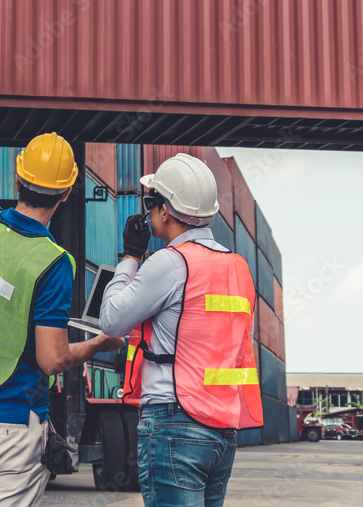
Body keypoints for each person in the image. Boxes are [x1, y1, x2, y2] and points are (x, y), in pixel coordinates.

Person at [0, 128, 124, 507]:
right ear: (67, 193)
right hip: (11, 428)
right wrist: (102, 341)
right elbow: (52, 359)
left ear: (17, 179)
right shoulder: (52, 262)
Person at [100, 153, 262, 507]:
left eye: (150, 202)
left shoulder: (170, 263)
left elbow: (111, 319)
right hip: (222, 430)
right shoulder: (238, 268)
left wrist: (130, 255)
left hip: (174, 423)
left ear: (165, 211)